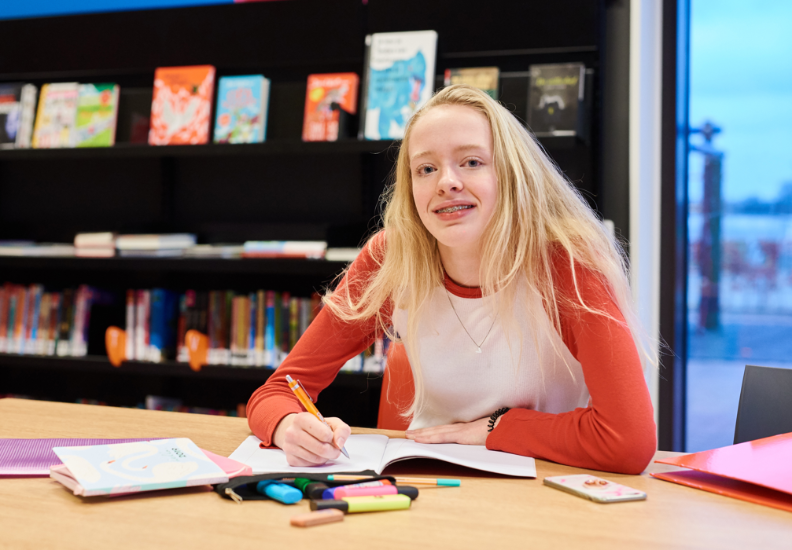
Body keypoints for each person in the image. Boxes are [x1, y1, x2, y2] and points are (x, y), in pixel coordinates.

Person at [247, 84, 656, 475]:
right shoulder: (392, 257)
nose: (447, 182)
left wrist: (498, 428)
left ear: (510, 174)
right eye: (426, 168)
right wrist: (287, 426)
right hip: (427, 485)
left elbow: (627, 441)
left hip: (544, 488)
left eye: (472, 162)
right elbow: (276, 392)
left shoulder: (565, 264)